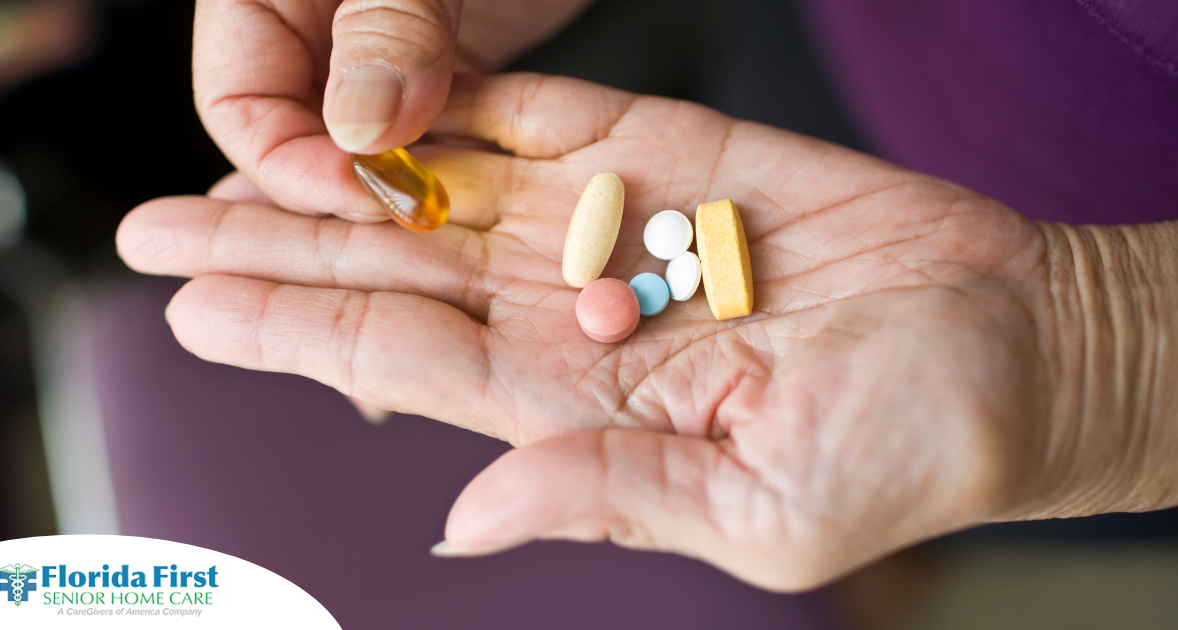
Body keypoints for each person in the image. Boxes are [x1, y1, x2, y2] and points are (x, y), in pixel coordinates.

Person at [116, 0, 1178, 590]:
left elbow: (1076, 365)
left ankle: (916, 561)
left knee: (977, 490)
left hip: (1120, 300)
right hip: (845, 88)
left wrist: (1100, 347)